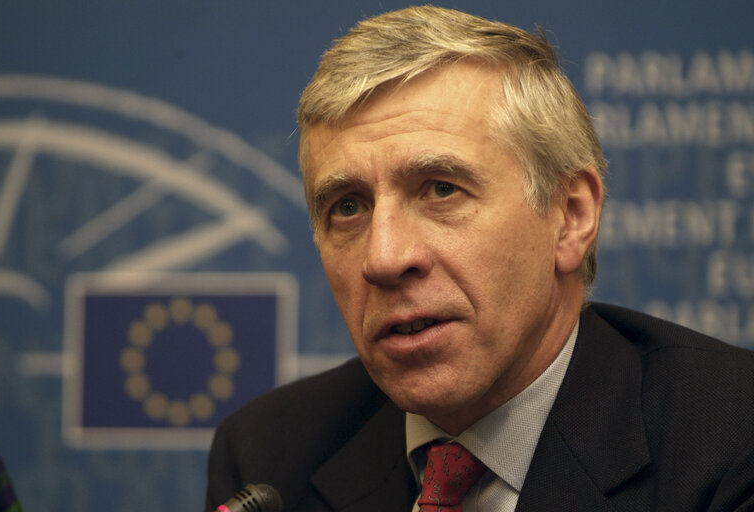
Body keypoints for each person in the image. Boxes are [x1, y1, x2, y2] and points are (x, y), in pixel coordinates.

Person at [206, 6, 754, 511]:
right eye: (348, 207)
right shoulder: (269, 455)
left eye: (441, 190)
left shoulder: (730, 442)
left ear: (570, 216)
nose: (385, 257)